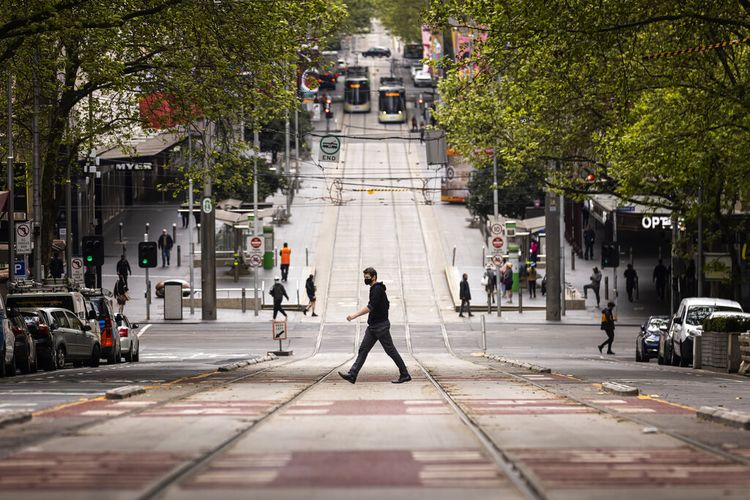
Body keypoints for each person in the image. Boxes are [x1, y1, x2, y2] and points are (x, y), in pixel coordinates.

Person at [339, 267, 411, 384]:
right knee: (363, 350)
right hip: (373, 327)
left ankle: (405, 374)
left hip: (380, 327)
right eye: (364, 278)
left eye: (367, 278)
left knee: (390, 351)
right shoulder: (375, 289)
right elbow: (385, 305)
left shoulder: (377, 289)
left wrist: (354, 315)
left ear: (374, 277)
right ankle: (352, 374)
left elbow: (370, 307)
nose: (365, 280)